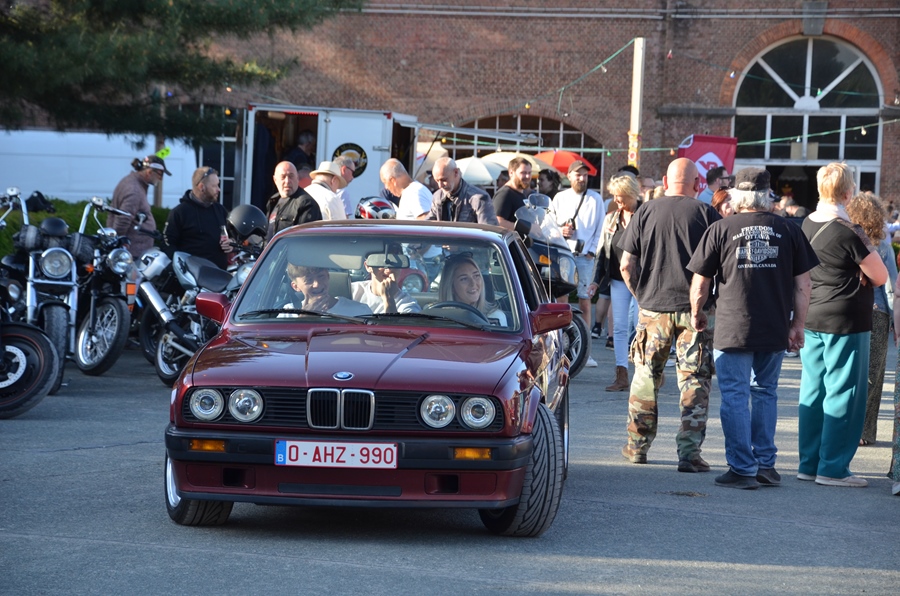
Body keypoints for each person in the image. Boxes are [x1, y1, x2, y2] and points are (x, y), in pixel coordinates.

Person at [688, 168, 818, 489]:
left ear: (737, 196)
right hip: (774, 324)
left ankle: (742, 468)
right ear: (766, 195)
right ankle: (765, 465)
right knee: (765, 392)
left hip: (733, 325)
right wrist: (798, 325)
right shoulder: (788, 229)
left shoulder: (721, 228)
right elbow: (804, 285)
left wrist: (697, 313)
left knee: (735, 394)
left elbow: (701, 282)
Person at [618, 157, 720, 472]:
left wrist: (641, 296)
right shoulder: (707, 214)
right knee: (694, 380)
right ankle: (689, 453)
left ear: (665, 182)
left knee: (646, 377)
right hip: (695, 311)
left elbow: (625, 265)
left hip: (653, 308)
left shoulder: (645, 211)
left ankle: (637, 447)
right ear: (697, 184)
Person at [798, 162, 888, 487]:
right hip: (845, 318)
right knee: (844, 391)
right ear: (848, 192)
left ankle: (809, 463)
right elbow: (880, 275)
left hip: (812, 313)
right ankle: (833, 467)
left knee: (813, 389)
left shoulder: (806, 223)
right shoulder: (850, 230)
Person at [846, 192, 897, 447]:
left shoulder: (844, 242)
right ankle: (865, 431)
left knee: (850, 371)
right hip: (877, 314)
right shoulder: (881, 248)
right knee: (873, 376)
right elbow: (892, 288)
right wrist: (895, 322)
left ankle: (845, 426)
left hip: (848, 312)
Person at [550, 161, 604, 369]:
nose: (582, 178)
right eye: (578, 174)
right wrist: (560, 231)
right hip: (563, 253)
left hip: (585, 256)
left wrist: (592, 250)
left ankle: (584, 350)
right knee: (561, 300)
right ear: (569, 176)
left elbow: (600, 227)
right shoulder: (560, 198)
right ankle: (559, 346)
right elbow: (549, 224)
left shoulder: (595, 199)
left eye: (585, 175)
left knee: (585, 302)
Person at [591, 173, 641, 392]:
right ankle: (621, 374)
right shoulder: (611, 218)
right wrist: (595, 281)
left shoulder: (645, 214)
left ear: (630, 193)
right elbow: (602, 251)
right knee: (619, 327)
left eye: (619, 195)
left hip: (642, 280)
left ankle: (647, 373)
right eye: (614, 195)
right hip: (618, 279)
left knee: (641, 326)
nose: (616, 200)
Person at [163, 167, 232, 270]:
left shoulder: (220, 210)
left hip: (219, 276)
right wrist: (181, 267)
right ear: (201, 187)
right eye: (214, 186)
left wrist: (231, 244)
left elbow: (233, 236)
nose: (219, 189)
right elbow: (167, 244)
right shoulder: (180, 212)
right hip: (191, 276)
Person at [108, 155, 167, 258]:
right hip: (132, 254)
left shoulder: (132, 183)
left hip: (131, 253)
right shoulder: (134, 190)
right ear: (149, 172)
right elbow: (123, 219)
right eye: (160, 174)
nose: (161, 179)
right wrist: (119, 244)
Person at [438, 253, 506, 326]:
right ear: (451, 287)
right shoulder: (436, 318)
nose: (473, 283)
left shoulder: (495, 317)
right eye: (464, 279)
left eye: (476, 276)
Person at [427, 157, 499, 225]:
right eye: (437, 181)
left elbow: (488, 230)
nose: (440, 185)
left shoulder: (478, 199)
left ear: (456, 172)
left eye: (444, 180)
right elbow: (428, 225)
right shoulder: (437, 197)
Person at [285, 264, 372, 316]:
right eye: (309, 280)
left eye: (321, 276)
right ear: (295, 286)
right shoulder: (288, 313)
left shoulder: (360, 311)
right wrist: (304, 318)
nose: (317, 284)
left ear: (328, 276)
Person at [266, 161, 322, 241]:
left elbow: (304, 240)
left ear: (297, 178)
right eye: (283, 177)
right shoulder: (273, 201)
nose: (287, 181)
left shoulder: (307, 204)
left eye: (291, 176)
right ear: (275, 180)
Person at [351, 252, 421, 314]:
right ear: (368, 266)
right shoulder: (352, 291)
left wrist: (388, 298)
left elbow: (396, 325)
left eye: (395, 263)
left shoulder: (408, 304)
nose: (389, 270)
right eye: (381, 262)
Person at [492, 157, 532, 232]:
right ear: (511, 173)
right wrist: (528, 229)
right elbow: (497, 221)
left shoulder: (521, 193)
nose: (527, 176)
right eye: (523, 173)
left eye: (529, 173)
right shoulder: (504, 194)